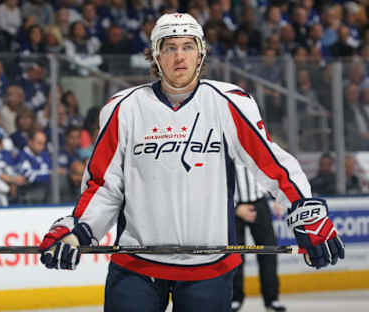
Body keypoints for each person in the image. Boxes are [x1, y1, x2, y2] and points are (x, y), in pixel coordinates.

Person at [38, 13, 344, 312]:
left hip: (209, 270)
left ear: (201, 53)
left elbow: (273, 165)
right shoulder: (122, 109)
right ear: (155, 55)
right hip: (135, 267)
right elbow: (104, 186)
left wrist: (306, 212)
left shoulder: (229, 102)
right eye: (170, 47)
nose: (179, 56)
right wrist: (78, 229)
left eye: (188, 46)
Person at [231, 164, 285, 312]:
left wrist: (277, 196)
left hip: (259, 202)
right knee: (235, 255)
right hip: (232, 205)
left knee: (269, 252)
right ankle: (234, 298)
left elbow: (271, 167)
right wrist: (234, 208)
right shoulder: (224, 146)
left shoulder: (255, 143)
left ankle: (272, 299)